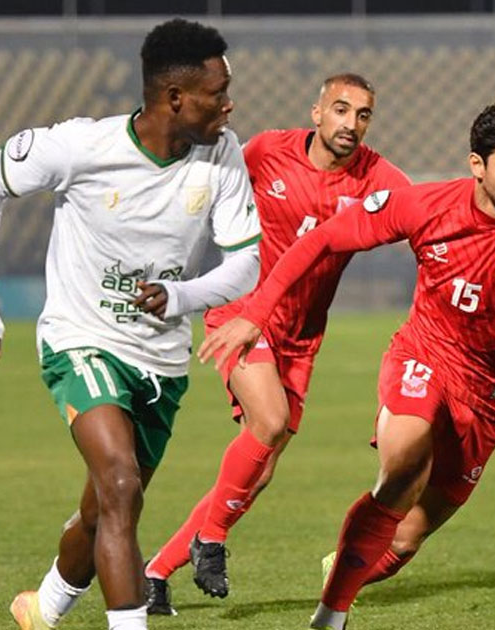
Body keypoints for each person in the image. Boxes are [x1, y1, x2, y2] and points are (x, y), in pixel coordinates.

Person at [199, 95, 495, 630]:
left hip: (489, 398)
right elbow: (322, 241)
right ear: (478, 165)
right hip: (423, 356)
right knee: (403, 469)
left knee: (404, 538)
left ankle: (345, 566)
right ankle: (330, 617)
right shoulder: (427, 206)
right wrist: (256, 313)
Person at [0, 18, 262, 630]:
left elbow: (246, 264)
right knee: (121, 485)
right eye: (217, 92)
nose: (229, 104)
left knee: (105, 508)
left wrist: (181, 295)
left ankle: (43, 607)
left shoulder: (222, 153)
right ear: (174, 97)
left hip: (161, 361)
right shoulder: (82, 146)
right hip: (82, 341)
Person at [142, 73, 412, 614]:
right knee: (268, 422)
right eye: (341, 109)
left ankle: (156, 573)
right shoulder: (267, 151)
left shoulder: (377, 176)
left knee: (258, 471)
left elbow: (429, 213)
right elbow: (208, 184)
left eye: (362, 115)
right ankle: (212, 540)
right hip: (241, 313)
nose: (351, 123)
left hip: (301, 336)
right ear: (317, 112)